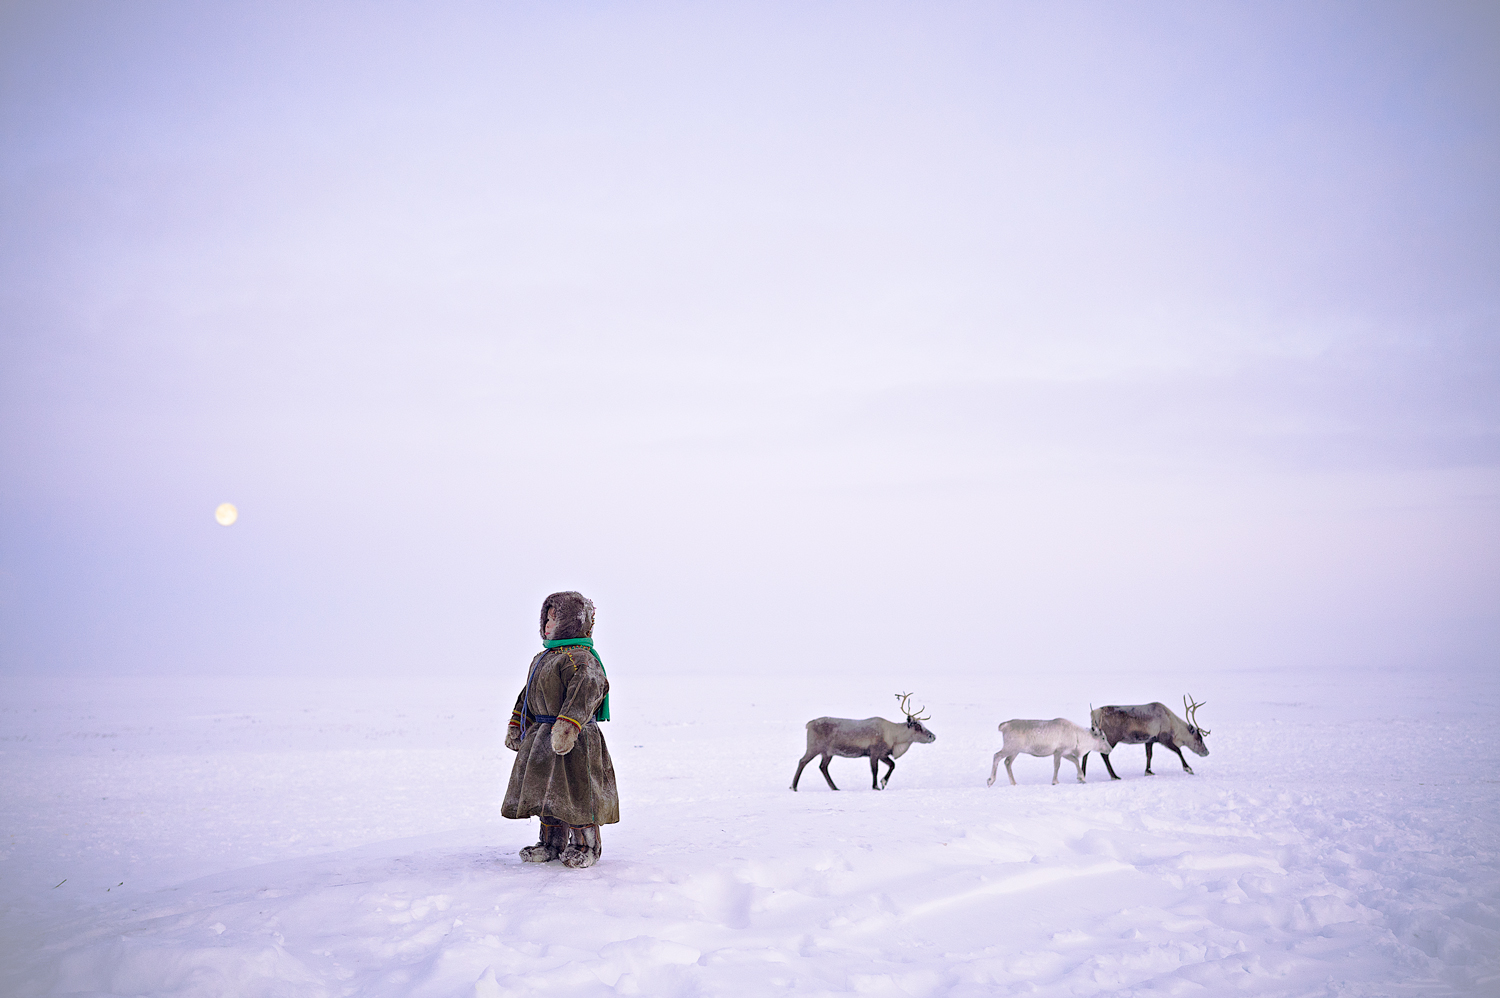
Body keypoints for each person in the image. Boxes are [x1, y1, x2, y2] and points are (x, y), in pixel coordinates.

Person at [502, 591, 618, 868]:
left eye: (555, 619)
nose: (548, 625)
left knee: (576, 792)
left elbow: (587, 693)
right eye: (546, 618)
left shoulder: (582, 659)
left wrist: (567, 727)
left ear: (572, 622)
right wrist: (518, 724)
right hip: (542, 736)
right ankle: (551, 844)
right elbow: (527, 695)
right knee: (547, 794)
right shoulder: (542, 658)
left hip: (575, 740)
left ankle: (586, 846)